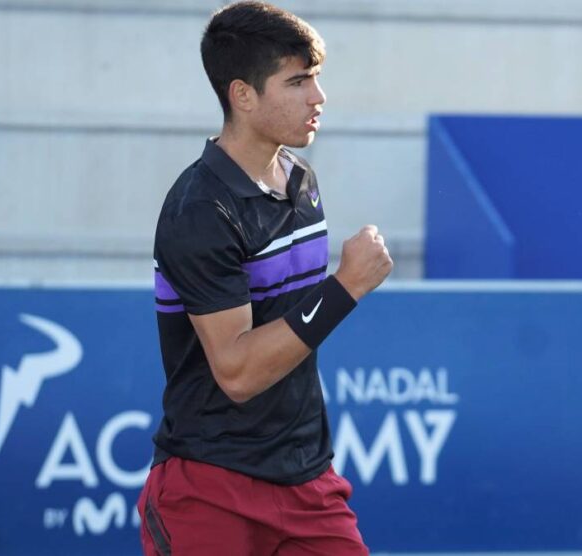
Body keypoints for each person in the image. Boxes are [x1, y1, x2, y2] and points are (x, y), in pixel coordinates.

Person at [138, 2, 393, 554]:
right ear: (243, 95)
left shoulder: (301, 177)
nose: (318, 97)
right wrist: (344, 287)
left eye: (316, 79)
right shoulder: (200, 209)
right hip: (210, 490)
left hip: (308, 482)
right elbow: (236, 372)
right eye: (298, 81)